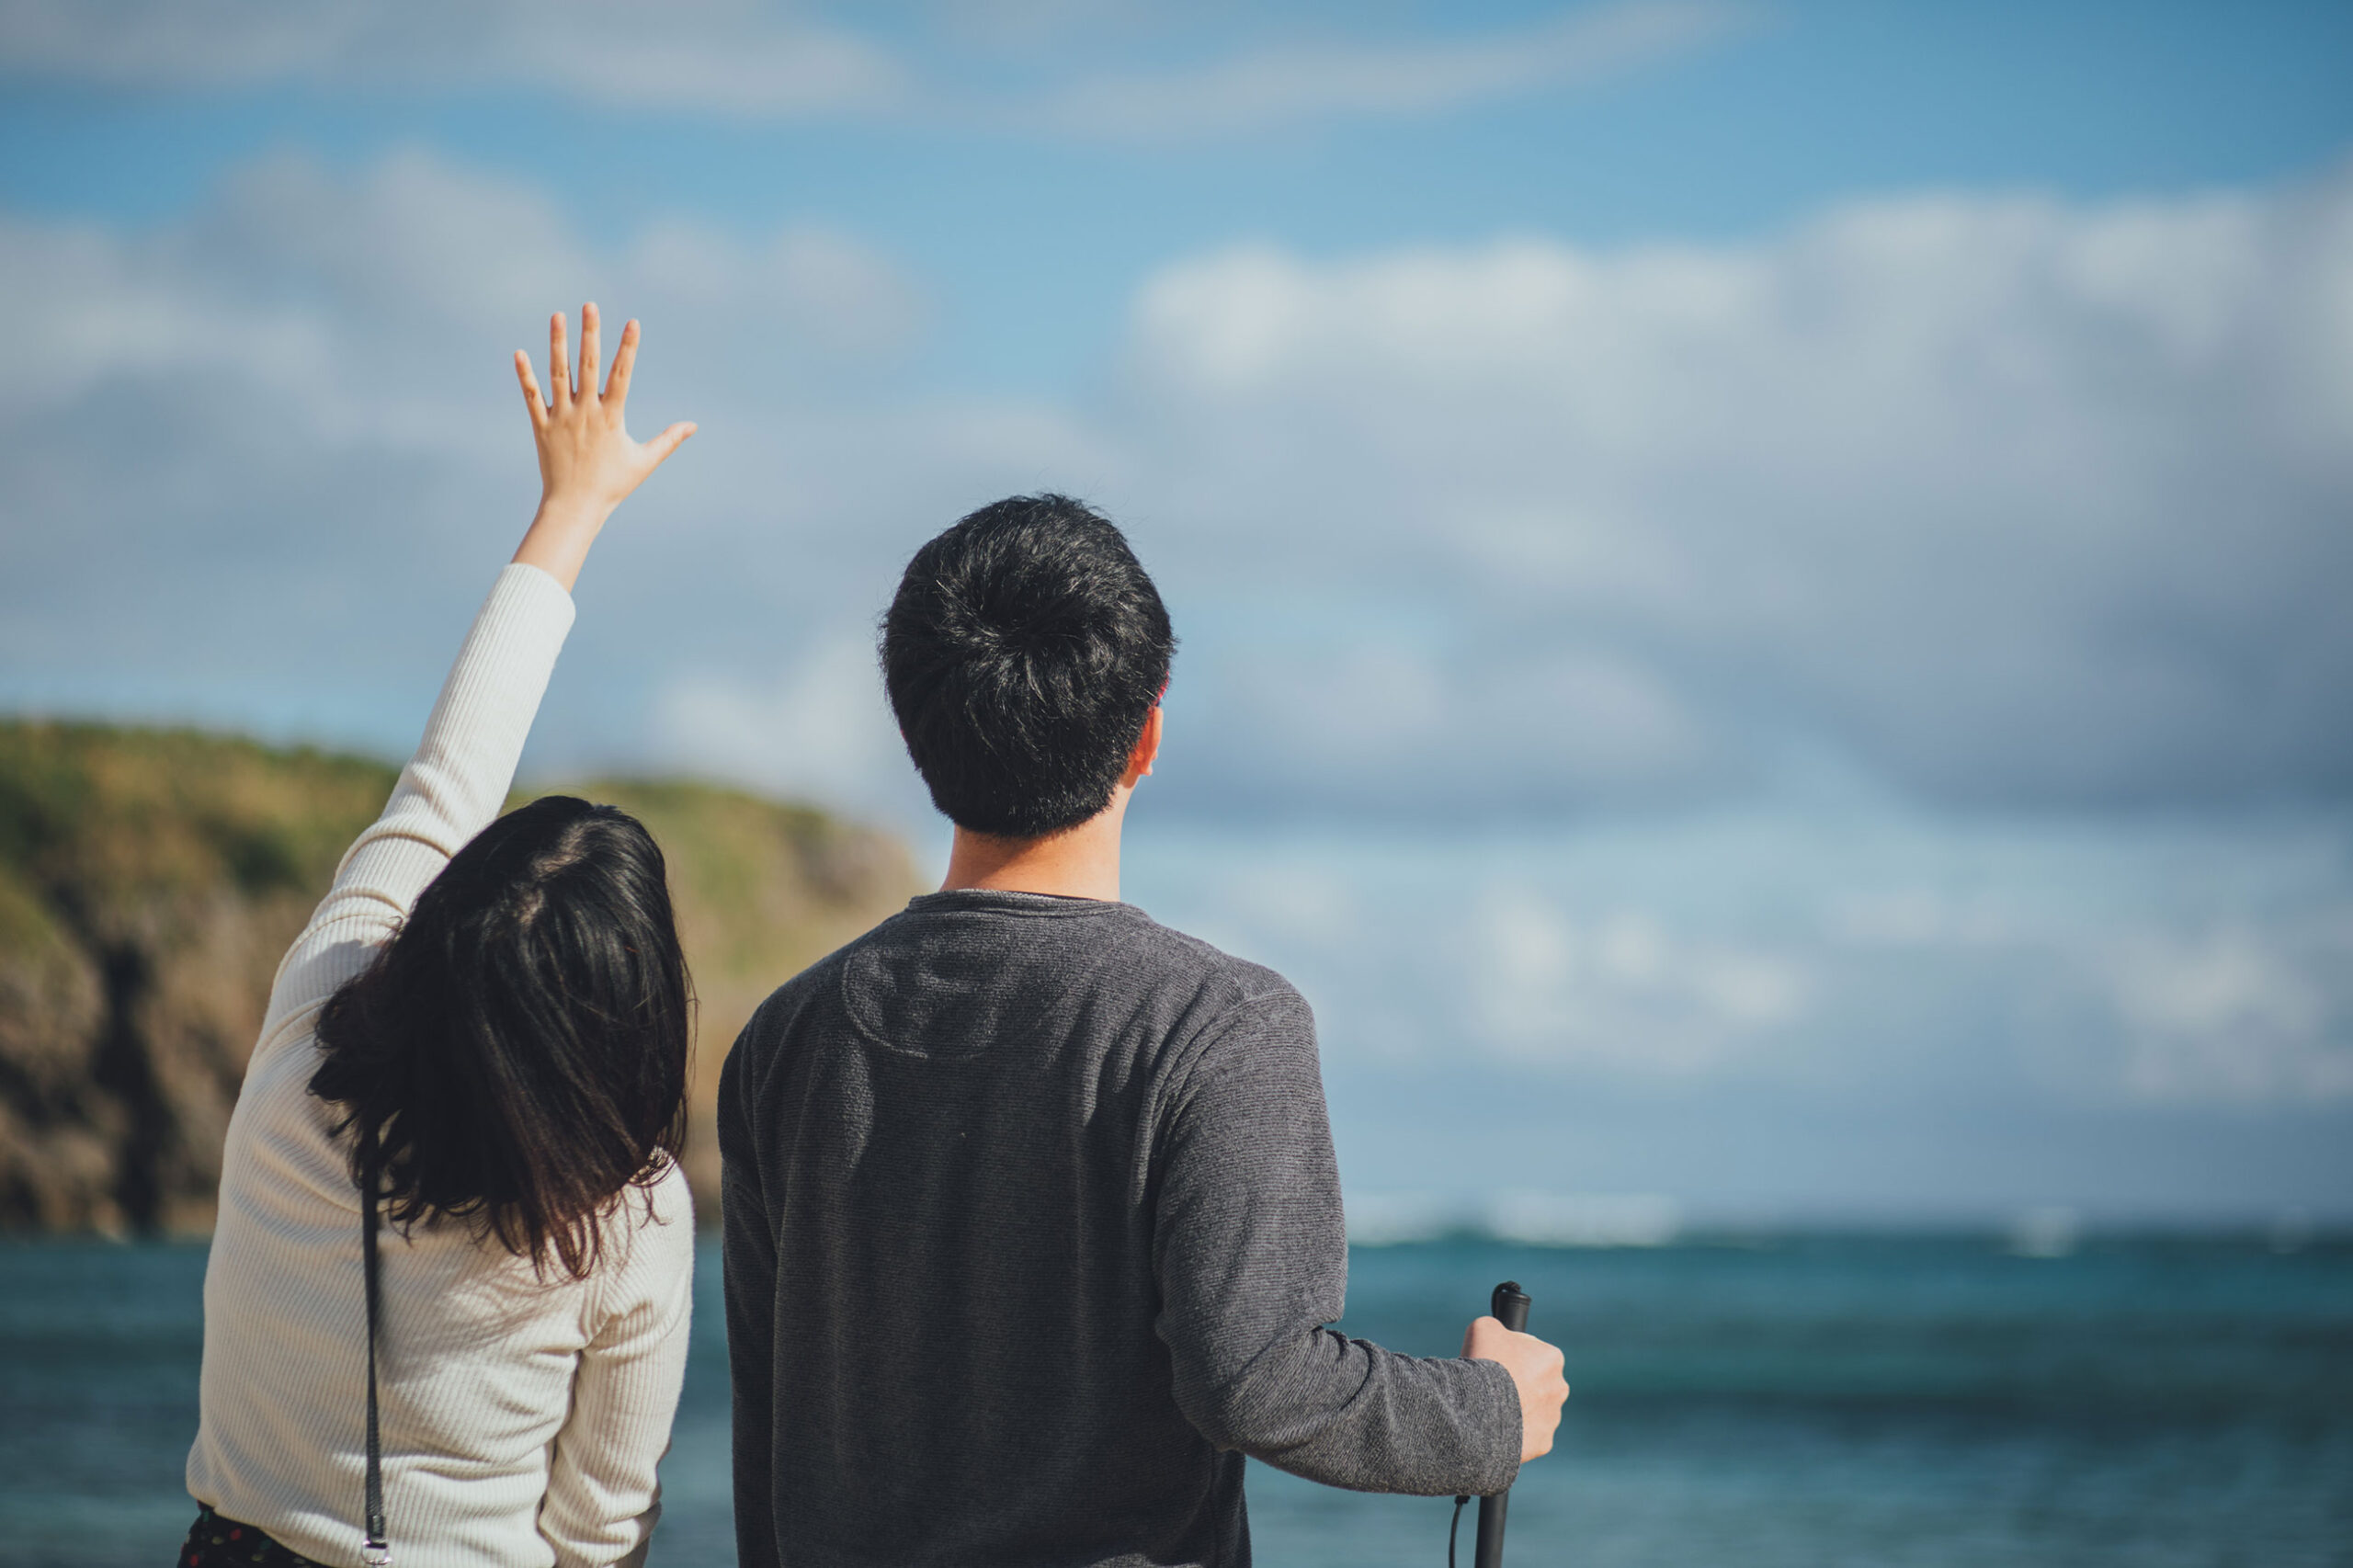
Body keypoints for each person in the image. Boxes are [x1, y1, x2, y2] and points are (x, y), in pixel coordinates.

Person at [721, 494, 1571, 1568]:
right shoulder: (1218, 1025)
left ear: (914, 726)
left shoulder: (784, 1036)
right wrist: (1491, 1409)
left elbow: (767, 1425)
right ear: (1149, 732)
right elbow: (1254, 1378)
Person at [181, 305, 699, 1568]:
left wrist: (571, 507)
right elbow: (596, 1529)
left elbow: (446, 773)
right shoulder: (629, 1219)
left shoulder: (321, 999)